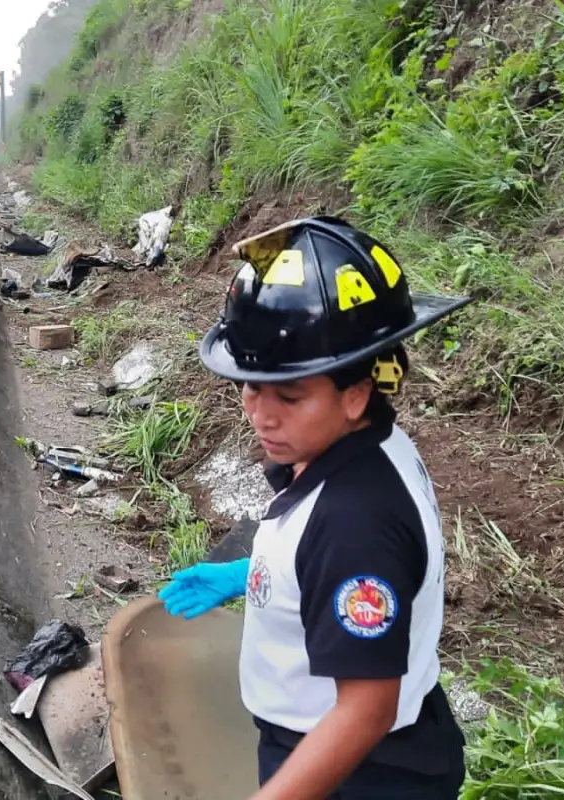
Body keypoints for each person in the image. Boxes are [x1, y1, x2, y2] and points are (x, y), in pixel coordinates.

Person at [159, 216, 472, 799]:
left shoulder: (355, 519)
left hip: (357, 770)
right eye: (250, 387)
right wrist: (256, 575)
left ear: (355, 393)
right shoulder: (361, 442)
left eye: (290, 396)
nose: (261, 415)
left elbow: (365, 712)